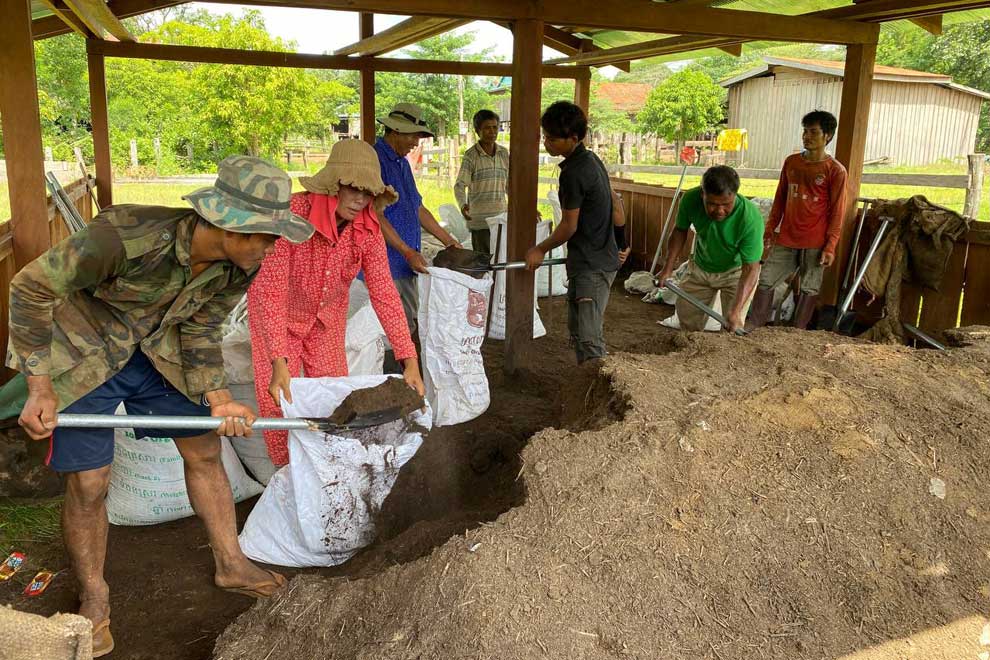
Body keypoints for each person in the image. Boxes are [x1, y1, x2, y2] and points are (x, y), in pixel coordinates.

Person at [9, 156, 313, 657]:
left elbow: (201, 327)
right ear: (230, 225)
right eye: (266, 236)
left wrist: (219, 397)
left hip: (158, 353)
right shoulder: (124, 238)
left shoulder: (240, 266)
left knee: (205, 450)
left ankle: (231, 564)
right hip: (85, 354)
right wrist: (38, 385)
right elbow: (29, 287)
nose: (272, 247)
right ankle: (95, 596)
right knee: (90, 482)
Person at [248, 139, 426, 466]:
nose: (360, 200)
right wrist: (278, 361)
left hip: (326, 323)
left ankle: (328, 473)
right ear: (333, 185)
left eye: (368, 192)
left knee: (335, 403)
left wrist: (408, 359)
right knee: (280, 403)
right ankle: (287, 474)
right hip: (278, 321)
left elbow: (385, 293)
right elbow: (269, 294)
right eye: (353, 189)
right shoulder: (290, 217)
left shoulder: (367, 229)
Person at [525, 101, 628, 365]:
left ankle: (599, 380)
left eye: (552, 139)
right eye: (545, 136)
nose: (546, 143)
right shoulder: (592, 160)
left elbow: (568, 226)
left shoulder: (574, 172)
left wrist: (540, 249)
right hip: (590, 259)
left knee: (589, 336)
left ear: (573, 138)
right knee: (578, 329)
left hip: (592, 264)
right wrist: (621, 242)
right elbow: (616, 205)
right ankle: (586, 378)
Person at [746, 110, 848, 330]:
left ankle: (797, 332)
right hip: (787, 237)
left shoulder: (835, 170)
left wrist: (830, 245)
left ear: (827, 136)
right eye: (805, 131)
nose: (806, 136)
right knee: (766, 279)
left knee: (810, 287)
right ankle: (754, 324)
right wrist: (770, 228)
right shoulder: (792, 162)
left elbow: (837, 211)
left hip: (816, 240)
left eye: (813, 132)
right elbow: (780, 198)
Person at [373, 103, 461, 340]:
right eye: (413, 136)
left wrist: (449, 241)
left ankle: (406, 363)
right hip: (383, 264)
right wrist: (406, 251)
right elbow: (374, 215)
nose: (416, 143)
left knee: (408, 324)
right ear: (395, 131)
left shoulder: (402, 163)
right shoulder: (375, 160)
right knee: (386, 332)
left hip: (407, 263)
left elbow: (418, 207)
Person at [656, 165, 764, 333]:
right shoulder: (690, 199)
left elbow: (751, 267)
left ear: (735, 195)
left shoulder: (749, 218)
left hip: (736, 272)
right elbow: (680, 230)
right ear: (702, 194)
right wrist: (667, 268)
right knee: (688, 325)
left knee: (732, 328)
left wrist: (735, 311)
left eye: (726, 204)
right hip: (700, 267)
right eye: (712, 204)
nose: (720, 211)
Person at [454, 109, 509, 257]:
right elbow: (460, 185)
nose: (492, 132)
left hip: (501, 220)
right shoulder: (471, 156)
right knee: (483, 263)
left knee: (501, 261)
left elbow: (510, 186)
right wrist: (463, 205)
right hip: (480, 222)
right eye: (487, 128)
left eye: (495, 127)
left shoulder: (504, 154)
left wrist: (525, 207)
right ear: (478, 131)